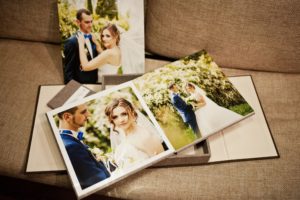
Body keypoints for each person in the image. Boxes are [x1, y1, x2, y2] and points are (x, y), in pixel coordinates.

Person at [57, 104, 110, 189]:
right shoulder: (71, 147)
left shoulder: (70, 140)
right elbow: (98, 181)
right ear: (67, 117)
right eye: (83, 112)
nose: (88, 114)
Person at [105, 98, 164, 170]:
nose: (121, 120)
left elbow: (161, 164)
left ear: (132, 112)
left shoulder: (145, 136)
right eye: (115, 117)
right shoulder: (122, 137)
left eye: (124, 114)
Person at [63, 9, 98, 84]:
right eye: (87, 22)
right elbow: (68, 71)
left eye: (91, 21)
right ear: (78, 22)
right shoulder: (71, 42)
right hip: (80, 86)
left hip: (95, 84)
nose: (90, 25)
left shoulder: (93, 39)